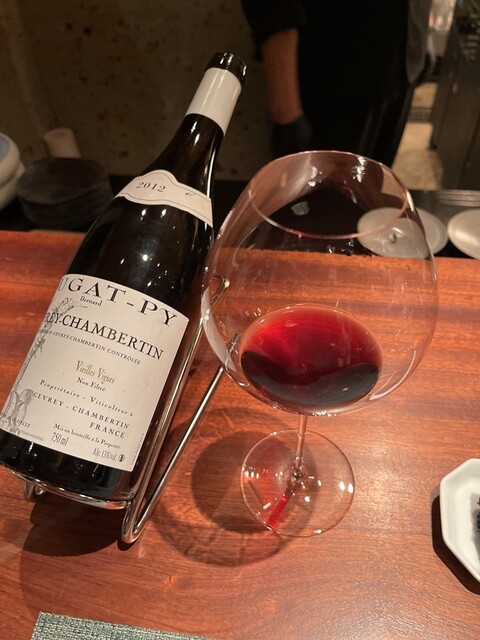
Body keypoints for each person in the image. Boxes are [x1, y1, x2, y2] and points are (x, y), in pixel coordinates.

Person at [241, 0, 433, 166]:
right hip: (334, 78)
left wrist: (422, 32)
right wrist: (286, 112)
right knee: (324, 193)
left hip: (403, 63)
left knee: (373, 187)